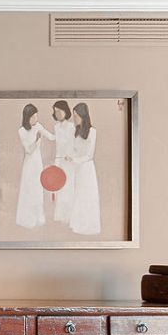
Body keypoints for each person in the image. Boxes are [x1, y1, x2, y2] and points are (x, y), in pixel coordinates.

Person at [65, 102, 101, 236]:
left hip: (87, 169)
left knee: (87, 196)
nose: (74, 119)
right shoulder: (76, 131)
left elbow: (89, 155)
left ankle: (88, 226)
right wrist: (69, 157)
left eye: (76, 116)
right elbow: (74, 150)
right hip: (77, 169)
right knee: (78, 195)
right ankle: (78, 224)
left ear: (83, 115)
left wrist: (74, 160)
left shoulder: (92, 132)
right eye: (73, 116)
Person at [14, 103, 47, 229]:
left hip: (38, 163)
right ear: (27, 117)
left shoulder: (38, 126)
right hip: (29, 164)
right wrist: (37, 140)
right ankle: (27, 218)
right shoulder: (21, 131)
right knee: (29, 189)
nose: (36, 119)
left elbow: (50, 136)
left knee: (38, 189)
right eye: (33, 117)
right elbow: (29, 150)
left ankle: (38, 218)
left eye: (36, 116)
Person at [48, 100, 74, 224]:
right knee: (59, 189)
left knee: (69, 188)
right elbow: (57, 144)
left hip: (69, 161)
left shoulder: (72, 127)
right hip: (59, 161)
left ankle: (70, 216)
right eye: (55, 111)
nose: (57, 113)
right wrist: (56, 163)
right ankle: (61, 217)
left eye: (60, 111)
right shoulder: (56, 127)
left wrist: (71, 158)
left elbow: (74, 145)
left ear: (66, 111)